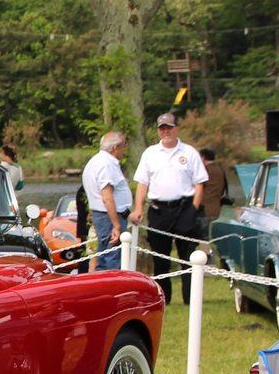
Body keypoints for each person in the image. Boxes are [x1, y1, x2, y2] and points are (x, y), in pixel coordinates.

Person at [130, 113, 207, 303]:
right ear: (158, 130)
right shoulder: (150, 153)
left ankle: (191, 299)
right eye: (162, 128)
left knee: (188, 258)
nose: (166, 131)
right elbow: (142, 183)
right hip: (158, 210)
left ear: (176, 129)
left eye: (169, 127)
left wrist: (194, 209)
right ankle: (163, 299)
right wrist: (138, 208)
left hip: (184, 209)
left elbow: (199, 184)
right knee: (160, 259)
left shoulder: (189, 152)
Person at [80, 132, 130, 272]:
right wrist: (116, 225)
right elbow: (107, 197)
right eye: (124, 146)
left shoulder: (96, 161)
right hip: (109, 217)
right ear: (116, 147)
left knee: (104, 257)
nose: (125, 149)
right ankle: (112, 292)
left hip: (103, 215)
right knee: (112, 260)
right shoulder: (107, 164)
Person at [194, 147, 224, 222]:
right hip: (217, 208)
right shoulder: (219, 169)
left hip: (204, 210)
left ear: (203, 158)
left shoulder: (205, 170)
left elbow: (197, 186)